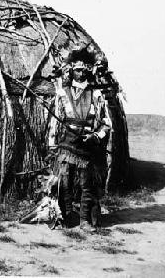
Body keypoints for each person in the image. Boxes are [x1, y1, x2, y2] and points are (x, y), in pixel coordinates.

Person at [48, 47, 111, 231]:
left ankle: (84, 220)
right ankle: (67, 217)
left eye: (83, 70)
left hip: (87, 147)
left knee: (87, 185)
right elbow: (55, 122)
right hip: (67, 146)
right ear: (71, 70)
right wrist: (52, 145)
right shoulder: (62, 94)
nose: (80, 73)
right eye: (77, 69)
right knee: (65, 182)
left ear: (88, 70)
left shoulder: (96, 95)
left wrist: (95, 136)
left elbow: (106, 123)